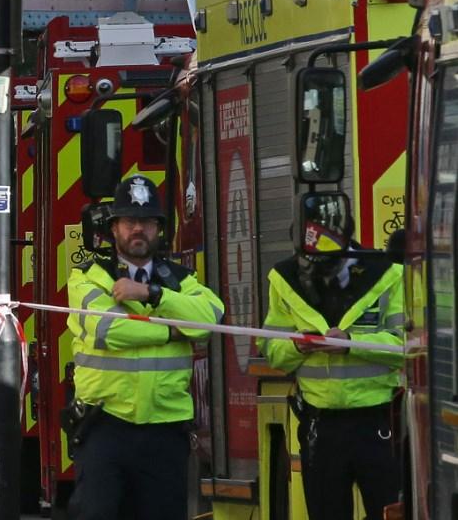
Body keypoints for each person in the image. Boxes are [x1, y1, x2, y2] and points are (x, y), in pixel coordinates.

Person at [65, 175, 225, 520]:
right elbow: (109, 330)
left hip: (164, 430)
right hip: (105, 426)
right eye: (130, 221)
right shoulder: (89, 277)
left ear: (159, 229)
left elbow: (212, 317)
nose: (138, 229)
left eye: (147, 222)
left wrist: (152, 294)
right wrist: (173, 332)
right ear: (114, 228)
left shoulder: (179, 280)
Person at [260, 196, 403, 519]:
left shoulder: (388, 274)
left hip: (378, 422)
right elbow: (271, 349)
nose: (314, 270)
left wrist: (351, 342)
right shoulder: (285, 279)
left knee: (388, 512)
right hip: (319, 426)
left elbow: (408, 346)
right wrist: (297, 346)